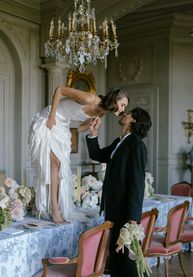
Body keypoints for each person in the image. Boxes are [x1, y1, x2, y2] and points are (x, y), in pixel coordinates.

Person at [86, 107, 157, 277]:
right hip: (113, 211)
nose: (122, 114)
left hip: (127, 215)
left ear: (133, 119)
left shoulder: (136, 145)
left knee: (131, 259)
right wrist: (93, 134)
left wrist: (133, 220)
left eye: (127, 112)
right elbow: (98, 155)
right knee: (115, 257)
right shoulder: (120, 142)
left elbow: (136, 184)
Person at [28, 86, 129, 224]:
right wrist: (51, 117)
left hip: (63, 126)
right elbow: (59, 90)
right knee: (54, 164)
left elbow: (77, 128)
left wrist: (91, 127)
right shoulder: (90, 99)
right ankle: (54, 209)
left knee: (60, 169)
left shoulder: (101, 113)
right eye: (122, 105)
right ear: (114, 100)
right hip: (51, 119)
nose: (123, 110)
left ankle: (54, 206)